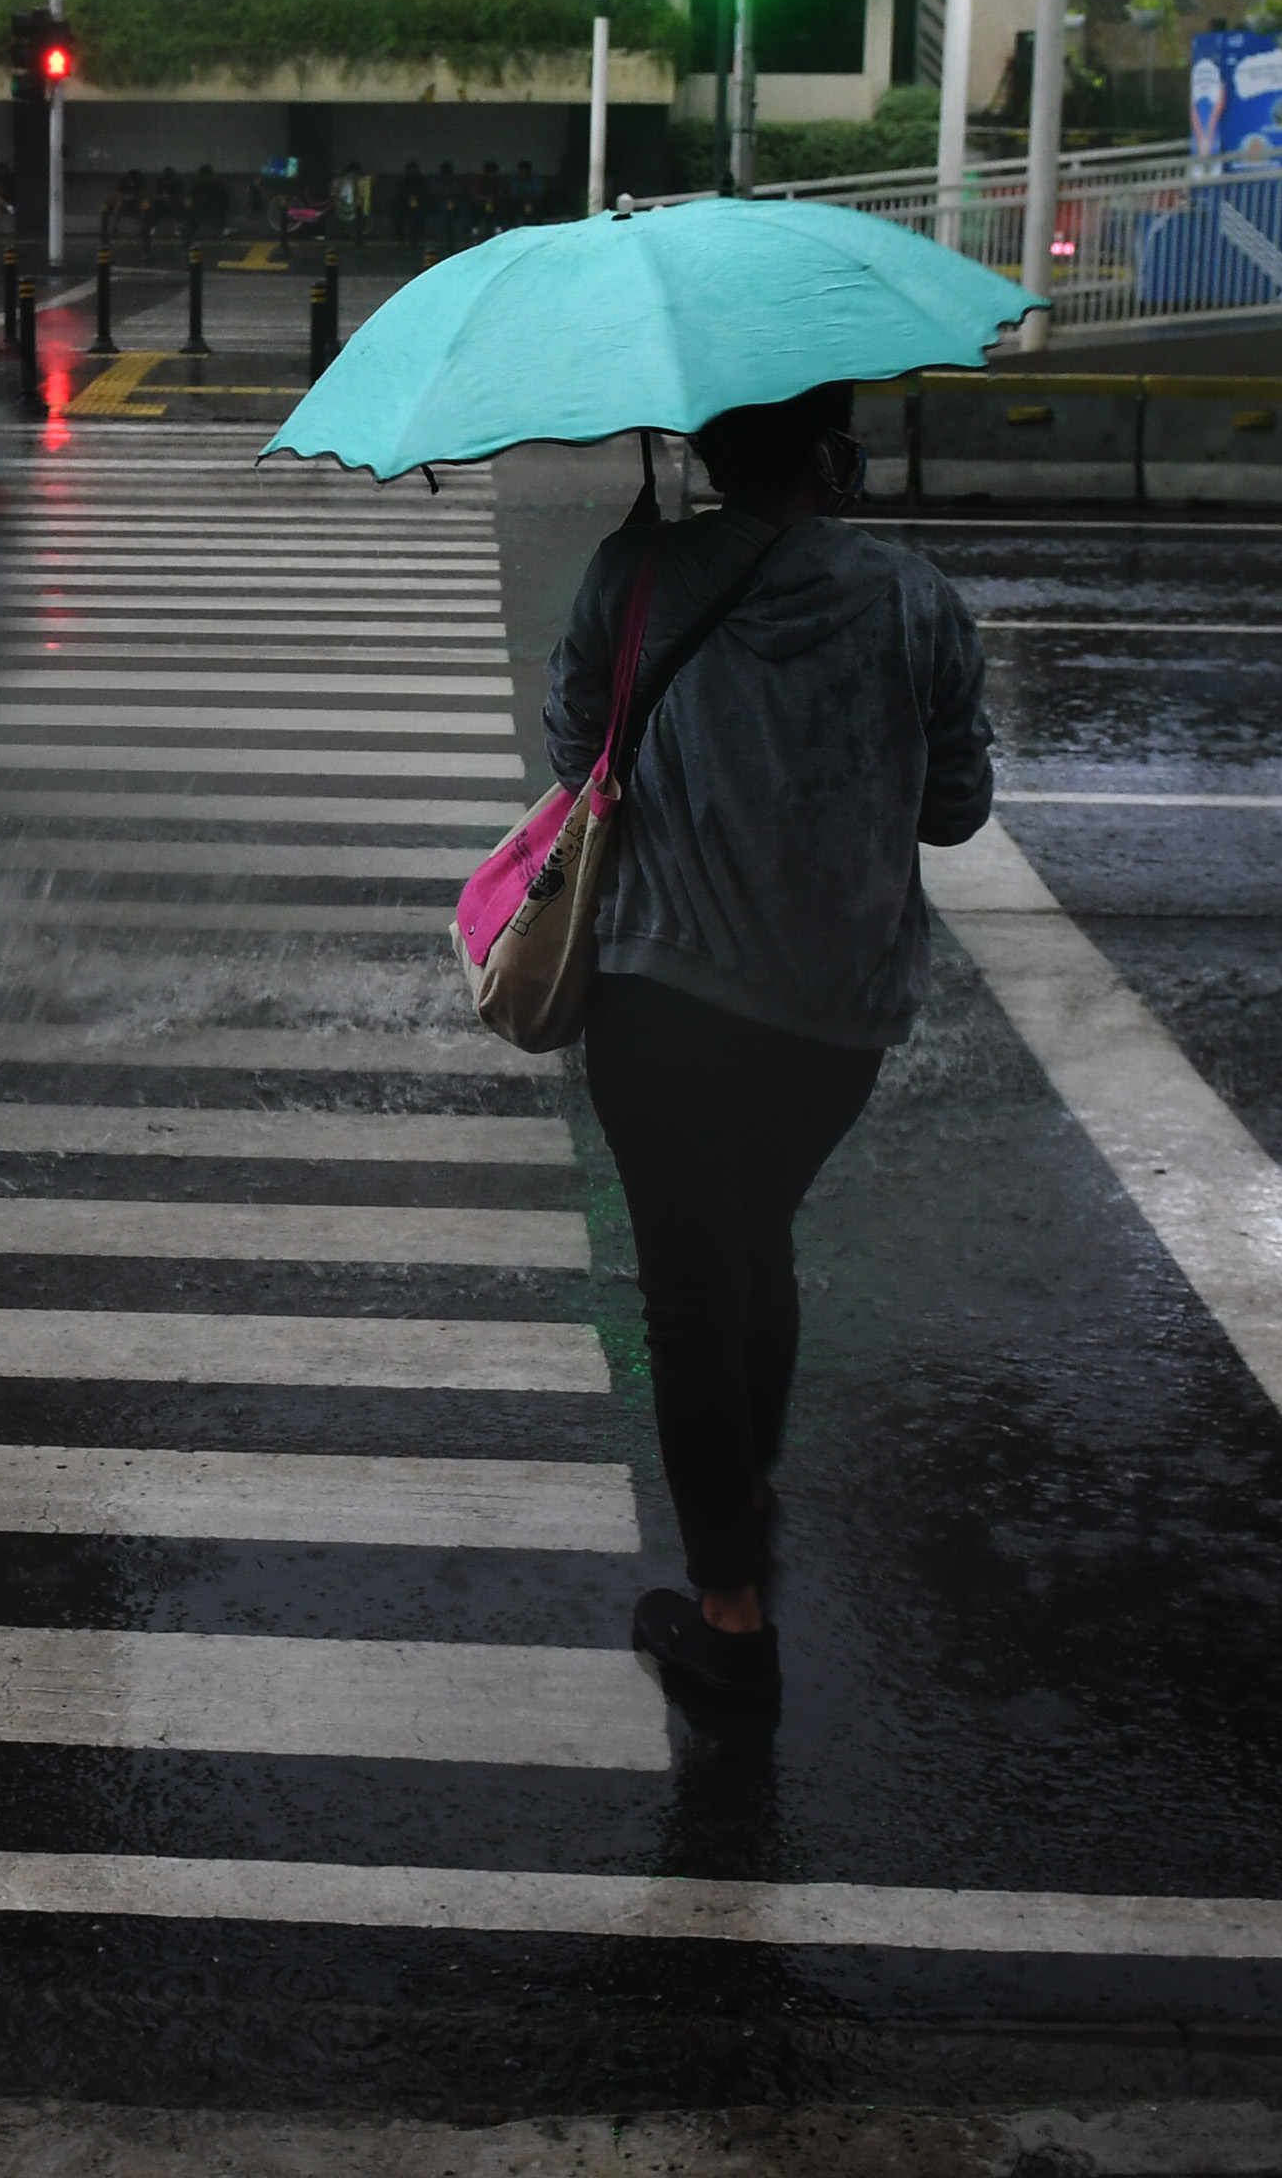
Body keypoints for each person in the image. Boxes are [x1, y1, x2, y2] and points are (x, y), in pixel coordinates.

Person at [543, 385, 993, 1715]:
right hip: (835, 1014)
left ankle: (731, 1620)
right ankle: (742, 1489)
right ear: (830, 450)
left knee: (691, 1295)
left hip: (664, 996)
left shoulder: (637, 573)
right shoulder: (914, 599)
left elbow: (576, 758)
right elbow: (956, 809)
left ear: (704, 443)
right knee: (758, 1244)